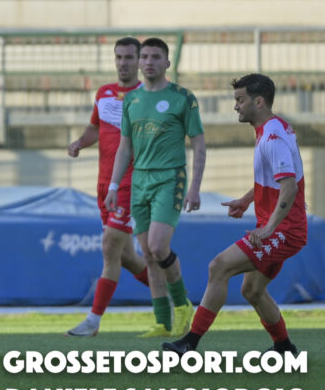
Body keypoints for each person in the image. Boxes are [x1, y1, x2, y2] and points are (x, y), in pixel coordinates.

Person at [163, 74, 305, 355]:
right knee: (252, 290)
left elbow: (289, 187)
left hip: (284, 230)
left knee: (219, 266)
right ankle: (284, 348)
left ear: (259, 101)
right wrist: (247, 199)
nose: (235, 106)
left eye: (240, 100)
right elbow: (275, 179)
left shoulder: (272, 137)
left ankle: (189, 343)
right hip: (278, 226)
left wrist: (269, 228)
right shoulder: (273, 129)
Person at [108, 37, 205, 338]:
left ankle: (183, 305)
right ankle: (162, 322)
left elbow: (199, 144)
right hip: (139, 181)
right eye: (145, 57)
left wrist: (195, 187)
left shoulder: (182, 98)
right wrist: (113, 185)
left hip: (169, 178)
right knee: (149, 255)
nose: (149, 62)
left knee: (158, 246)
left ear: (167, 63)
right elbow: (125, 147)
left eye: (155, 57)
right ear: (139, 62)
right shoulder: (131, 100)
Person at [65, 37, 150, 337]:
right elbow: (95, 128)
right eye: (119, 57)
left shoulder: (147, 96)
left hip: (130, 185)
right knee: (125, 256)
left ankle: (93, 320)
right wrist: (79, 142)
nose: (123, 63)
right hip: (104, 185)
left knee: (110, 246)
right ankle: (172, 294)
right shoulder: (104, 93)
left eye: (129, 57)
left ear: (139, 61)